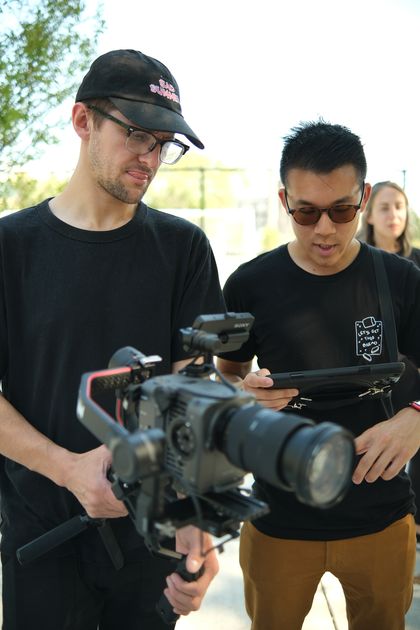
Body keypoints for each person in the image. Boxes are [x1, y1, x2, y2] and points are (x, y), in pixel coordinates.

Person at [0, 49, 224, 630]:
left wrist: (196, 517)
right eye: (137, 134)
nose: (150, 158)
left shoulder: (183, 249)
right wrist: (67, 469)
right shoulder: (11, 248)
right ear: (83, 121)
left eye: (163, 144)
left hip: (151, 537)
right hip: (41, 539)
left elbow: (195, 396)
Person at [217, 121, 420, 630]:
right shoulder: (249, 284)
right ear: (284, 200)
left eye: (342, 210)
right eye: (306, 212)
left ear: (364, 198)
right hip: (278, 518)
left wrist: (416, 416)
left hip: (381, 516)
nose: (324, 229)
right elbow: (225, 377)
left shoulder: (401, 280)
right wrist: (244, 397)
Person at [358, 180, 420, 544]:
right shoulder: (357, 262)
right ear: (368, 213)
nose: (393, 214)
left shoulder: (416, 263)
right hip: (378, 377)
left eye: (399, 206)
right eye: (384, 207)